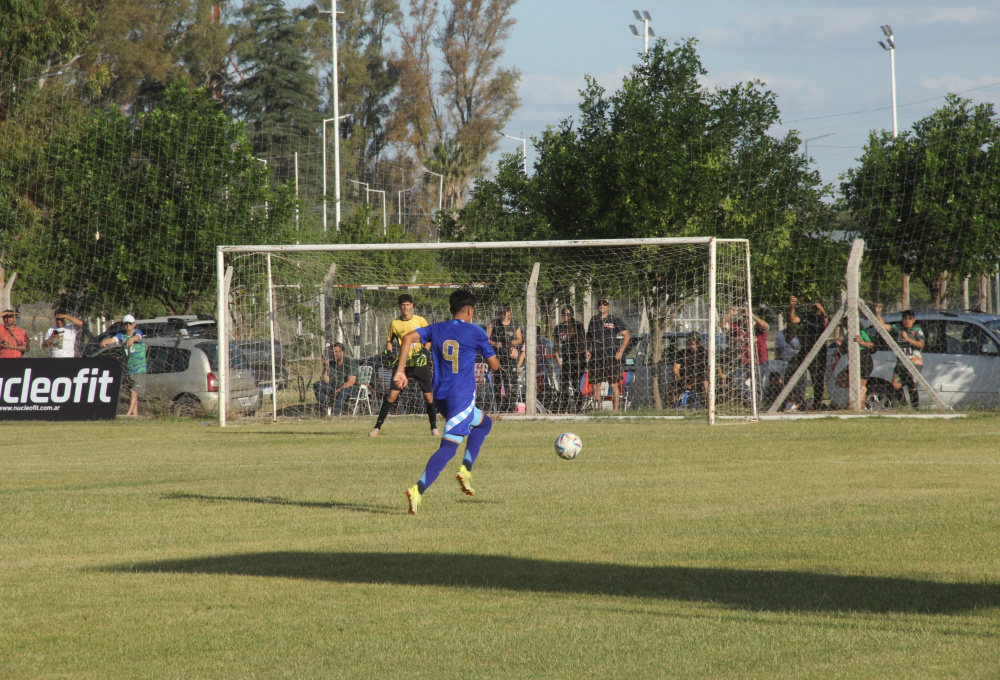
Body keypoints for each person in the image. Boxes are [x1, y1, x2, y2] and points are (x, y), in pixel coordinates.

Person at [397, 289, 500, 514]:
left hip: (440, 397)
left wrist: (400, 371)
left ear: (451, 310)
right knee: (448, 447)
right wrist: (485, 348)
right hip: (460, 398)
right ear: (470, 310)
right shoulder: (476, 332)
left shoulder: (437, 328)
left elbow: (407, 339)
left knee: (484, 423)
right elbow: (494, 365)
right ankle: (418, 489)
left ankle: (467, 469)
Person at [369, 294, 439, 437]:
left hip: (419, 363)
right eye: (403, 304)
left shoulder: (420, 321)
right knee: (392, 395)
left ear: (412, 305)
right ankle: (377, 428)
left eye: (408, 304)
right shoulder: (395, 324)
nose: (405, 307)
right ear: (399, 307)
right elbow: (389, 341)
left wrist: (425, 351)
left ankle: (434, 428)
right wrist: (389, 353)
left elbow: (430, 338)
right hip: (402, 366)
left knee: (428, 397)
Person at [585, 298, 631, 412]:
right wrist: (587, 350)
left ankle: (615, 411)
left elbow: (627, 335)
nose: (602, 306)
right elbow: (588, 337)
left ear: (608, 306)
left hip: (611, 357)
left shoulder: (614, 320)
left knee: (613, 385)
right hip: (597, 357)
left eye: (605, 304)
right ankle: (598, 410)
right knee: (596, 385)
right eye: (600, 304)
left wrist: (620, 351)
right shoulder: (594, 320)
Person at [876, 305, 925, 407]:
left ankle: (915, 409)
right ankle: (904, 405)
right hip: (901, 363)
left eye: (909, 319)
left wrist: (908, 339)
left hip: (914, 363)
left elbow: (921, 344)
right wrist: (878, 313)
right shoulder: (898, 329)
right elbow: (883, 326)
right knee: (895, 385)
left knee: (912, 386)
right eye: (905, 319)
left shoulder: (917, 330)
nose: (907, 321)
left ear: (914, 320)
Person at [786, 296, 829, 409]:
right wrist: (792, 306)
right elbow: (793, 320)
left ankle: (818, 403)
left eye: (817, 308)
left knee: (818, 378)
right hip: (805, 350)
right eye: (813, 308)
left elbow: (827, 326)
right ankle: (795, 400)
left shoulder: (823, 318)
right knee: (794, 371)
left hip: (819, 353)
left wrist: (822, 311)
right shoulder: (806, 316)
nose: (815, 310)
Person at [100, 314, 146, 416]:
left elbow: (138, 337)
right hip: (129, 368)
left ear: (134, 324)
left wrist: (132, 339)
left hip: (139, 368)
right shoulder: (122, 335)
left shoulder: (138, 332)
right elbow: (113, 339)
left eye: (130, 323)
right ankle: (135, 415)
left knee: (134, 391)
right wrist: (105, 341)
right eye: (126, 324)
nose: (128, 325)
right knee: (132, 392)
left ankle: (128, 413)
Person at [720, 306, 769, 401]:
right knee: (736, 382)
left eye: (747, 315)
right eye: (743, 315)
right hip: (745, 361)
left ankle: (759, 404)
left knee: (758, 386)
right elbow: (722, 324)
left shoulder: (757, 326)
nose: (745, 317)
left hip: (760, 360)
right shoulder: (738, 325)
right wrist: (731, 313)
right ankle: (751, 398)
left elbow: (765, 326)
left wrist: (752, 315)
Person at [486, 303, 523, 412]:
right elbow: (485, 338)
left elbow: (520, 339)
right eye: (499, 312)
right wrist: (494, 343)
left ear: (509, 312)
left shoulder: (514, 324)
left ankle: (509, 407)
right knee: (497, 384)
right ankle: (499, 406)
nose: (501, 314)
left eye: (503, 312)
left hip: (510, 359)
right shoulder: (493, 323)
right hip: (497, 358)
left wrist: (512, 343)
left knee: (510, 384)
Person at [670, 332, 722, 408]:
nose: (692, 345)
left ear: (699, 342)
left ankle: (707, 406)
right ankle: (674, 407)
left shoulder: (705, 353)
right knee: (670, 388)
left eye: (694, 343)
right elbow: (675, 370)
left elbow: (716, 366)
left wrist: (721, 375)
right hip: (684, 379)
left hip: (700, 379)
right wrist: (680, 379)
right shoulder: (681, 353)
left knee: (705, 384)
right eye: (690, 343)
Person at [553, 306, 586, 412]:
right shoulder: (559, 328)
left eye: (568, 314)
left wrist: (577, 359)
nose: (565, 316)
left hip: (578, 360)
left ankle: (579, 407)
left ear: (572, 314)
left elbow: (582, 343)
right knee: (564, 385)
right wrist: (558, 358)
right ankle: (564, 407)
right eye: (563, 314)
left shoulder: (578, 326)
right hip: (566, 359)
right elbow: (556, 345)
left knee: (576, 384)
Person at [314, 342, 359, 415]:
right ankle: (325, 408)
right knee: (318, 384)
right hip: (335, 388)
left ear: (342, 352)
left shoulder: (350, 363)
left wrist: (338, 391)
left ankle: (335, 412)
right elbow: (326, 381)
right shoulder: (332, 364)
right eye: (332, 352)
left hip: (350, 389)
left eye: (336, 352)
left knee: (343, 391)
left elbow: (350, 382)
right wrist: (325, 368)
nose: (334, 354)